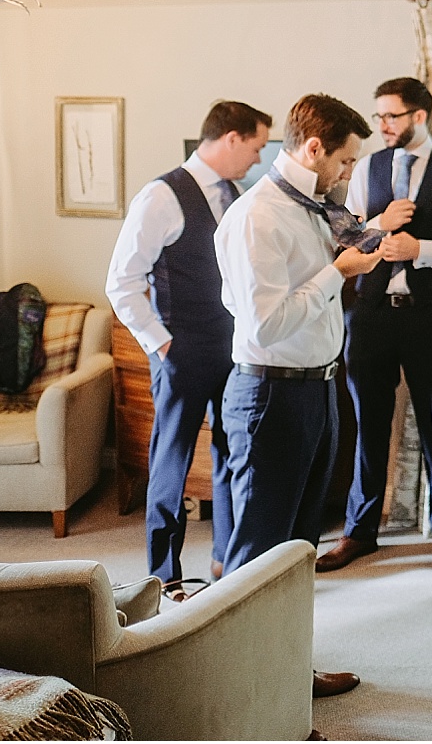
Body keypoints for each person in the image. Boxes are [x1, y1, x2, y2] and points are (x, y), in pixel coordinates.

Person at [214, 93, 380, 699]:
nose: (349, 174)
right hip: (270, 396)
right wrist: (338, 272)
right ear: (314, 148)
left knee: (298, 547)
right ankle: (240, 692)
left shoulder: (315, 206)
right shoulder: (261, 215)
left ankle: (285, 675)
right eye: (345, 161)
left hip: (318, 389)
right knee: (259, 553)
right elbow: (264, 326)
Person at [316, 78, 432, 578]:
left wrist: (424, 250)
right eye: (380, 117)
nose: (383, 126)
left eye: (391, 116)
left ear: (419, 116)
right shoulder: (367, 167)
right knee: (368, 423)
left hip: (430, 315)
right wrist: (380, 222)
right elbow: (342, 234)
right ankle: (360, 530)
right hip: (368, 315)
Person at [105, 100, 270, 598]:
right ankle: (163, 573)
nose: (258, 159)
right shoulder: (161, 196)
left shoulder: (238, 195)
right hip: (181, 349)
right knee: (171, 461)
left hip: (235, 347)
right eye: (257, 147)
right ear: (232, 138)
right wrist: (161, 343)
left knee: (231, 452)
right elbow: (122, 282)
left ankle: (226, 559)